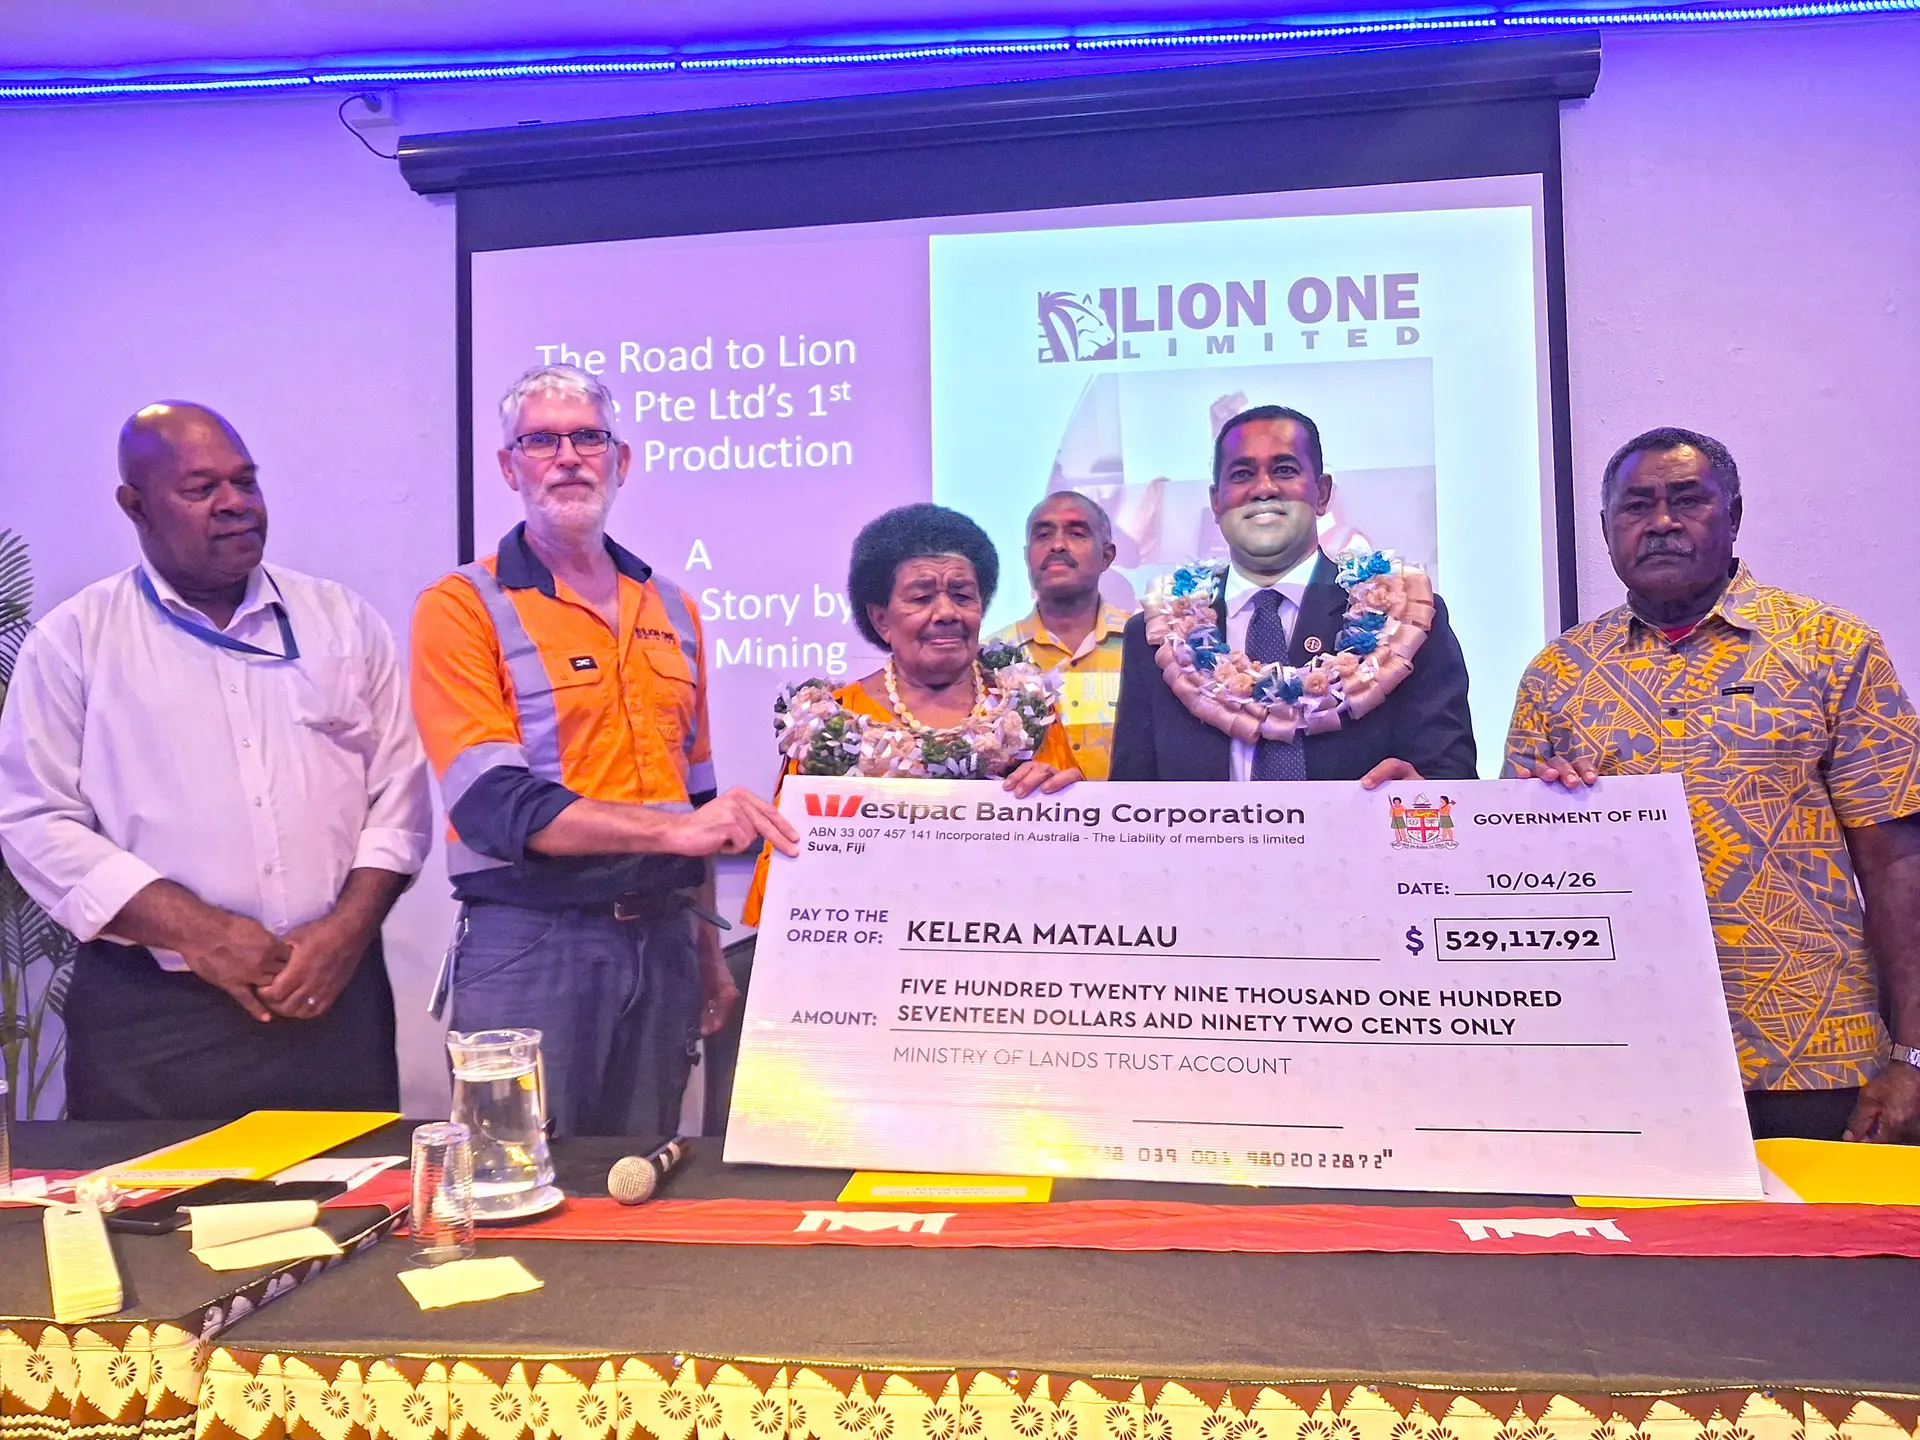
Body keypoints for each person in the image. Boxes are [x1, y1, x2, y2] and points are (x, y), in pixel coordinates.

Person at [0, 403, 432, 1120]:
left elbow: (400, 794)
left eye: (246, 482)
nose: (235, 505)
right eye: (202, 490)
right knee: (151, 1221)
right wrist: (200, 933)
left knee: (356, 1219)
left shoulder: (340, 621)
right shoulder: (75, 642)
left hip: (330, 1000)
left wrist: (344, 931)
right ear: (134, 506)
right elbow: (35, 821)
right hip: (154, 1020)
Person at [411, 364, 796, 1140]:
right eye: (541, 440)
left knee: (639, 1186)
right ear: (508, 466)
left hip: (662, 945)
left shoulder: (674, 606)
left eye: (589, 437)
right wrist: (676, 834)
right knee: (513, 1182)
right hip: (531, 944)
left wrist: (708, 952)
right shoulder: (460, 607)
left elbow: (695, 798)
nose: (567, 457)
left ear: (621, 461)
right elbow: (495, 806)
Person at [1505, 426, 1920, 1143]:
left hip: (1811, 1058)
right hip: (1621, 1067)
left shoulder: (1834, 647)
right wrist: (1543, 816)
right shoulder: (1558, 674)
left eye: (1687, 501)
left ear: (1734, 515)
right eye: (1636, 507)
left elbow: (1897, 868)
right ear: (1606, 531)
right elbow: (1509, 880)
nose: (1661, 523)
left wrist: (1912, 1057)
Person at [746, 503, 1080, 924]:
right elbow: (786, 878)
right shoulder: (832, 724)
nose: (946, 613)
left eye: (962, 595)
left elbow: (1075, 862)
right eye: (922, 597)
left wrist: (1071, 804)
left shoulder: (1025, 712)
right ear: (881, 619)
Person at [1110, 404, 1476, 785]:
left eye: (1284, 469)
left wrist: (1426, 791)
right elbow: (1131, 800)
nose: (1264, 488)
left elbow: (1453, 780)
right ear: (1216, 502)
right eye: (1242, 474)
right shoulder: (1156, 639)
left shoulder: (1404, 622)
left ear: (1321, 494)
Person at [989, 492, 1133, 780]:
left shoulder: (1147, 645)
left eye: (1077, 533)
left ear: (1107, 555)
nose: (1056, 545)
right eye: (1042, 535)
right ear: (1027, 556)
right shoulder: (992, 658)